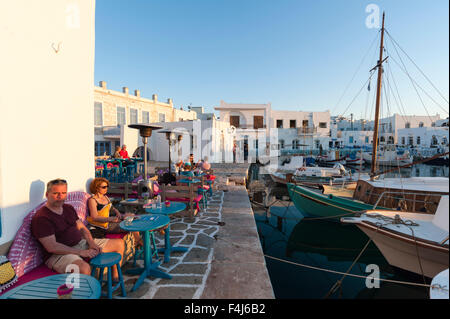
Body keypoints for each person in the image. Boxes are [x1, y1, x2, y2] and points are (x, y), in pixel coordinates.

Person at [31, 179, 125, 279]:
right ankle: (86, 293)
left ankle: (115, 278)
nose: (60, 196)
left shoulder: (68, 208)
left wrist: (92, 243)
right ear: (47, 194)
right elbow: (52, 247)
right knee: (84, 268)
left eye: (63, 193)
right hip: (58, 255)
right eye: (56, 193)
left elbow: (82, 229)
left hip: (80, 244)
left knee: (119, 244)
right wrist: (81, 253)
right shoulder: (42, 218)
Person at [87, 177, 142, 248]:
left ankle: (137, 241)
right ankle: (139, 242)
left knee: (132, 216)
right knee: (130, 223)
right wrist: (110, 219)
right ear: (97, 188)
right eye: (104, 187)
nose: (106, 188)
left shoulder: (105, 197)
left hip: (110, 220)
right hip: (104, 225)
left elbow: (111, 207)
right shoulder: (92, 200)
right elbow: (94, 217)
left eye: (107, 186)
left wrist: (117, 212)